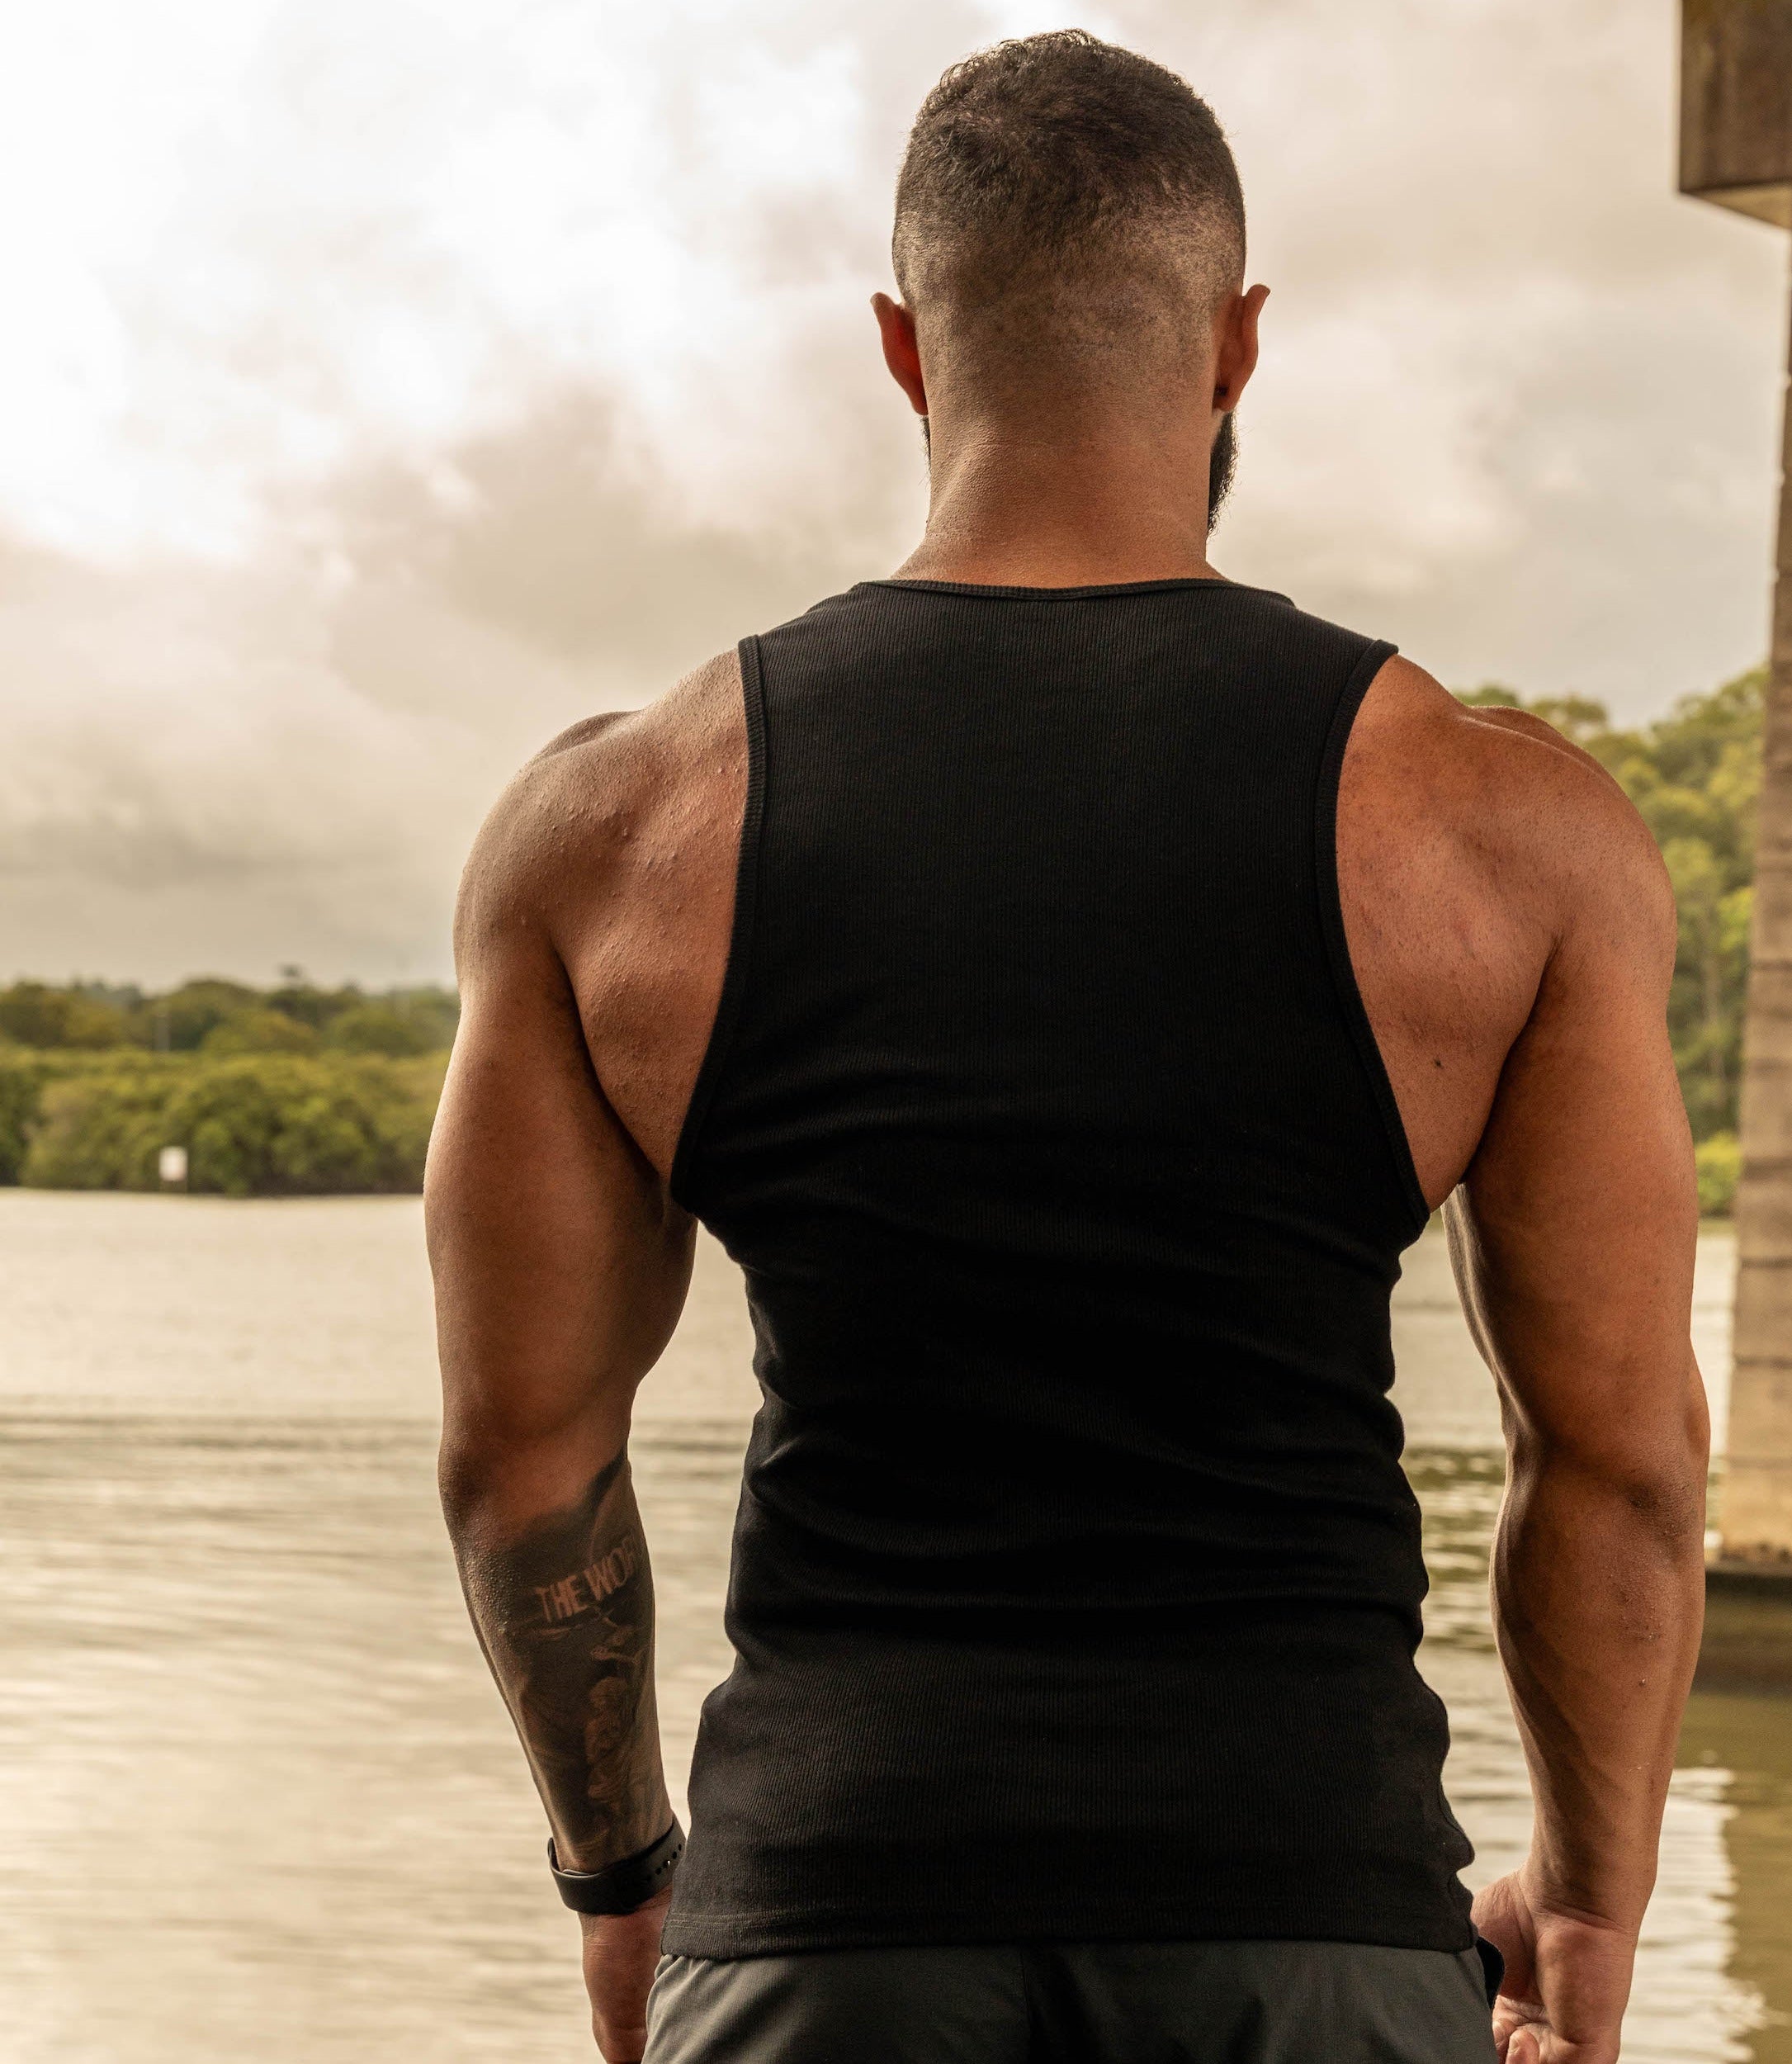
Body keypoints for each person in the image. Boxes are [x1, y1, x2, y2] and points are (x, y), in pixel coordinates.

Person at [428, 30, 1709, 2064]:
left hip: (823, 1928)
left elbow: (524, 1462)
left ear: (903, 348)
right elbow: (1619, 1460)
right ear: (1236, 345)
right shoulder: (1497, 830)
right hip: (1312, 1918)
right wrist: (1584, 1904)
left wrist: (627, 1888)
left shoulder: (618, 827)